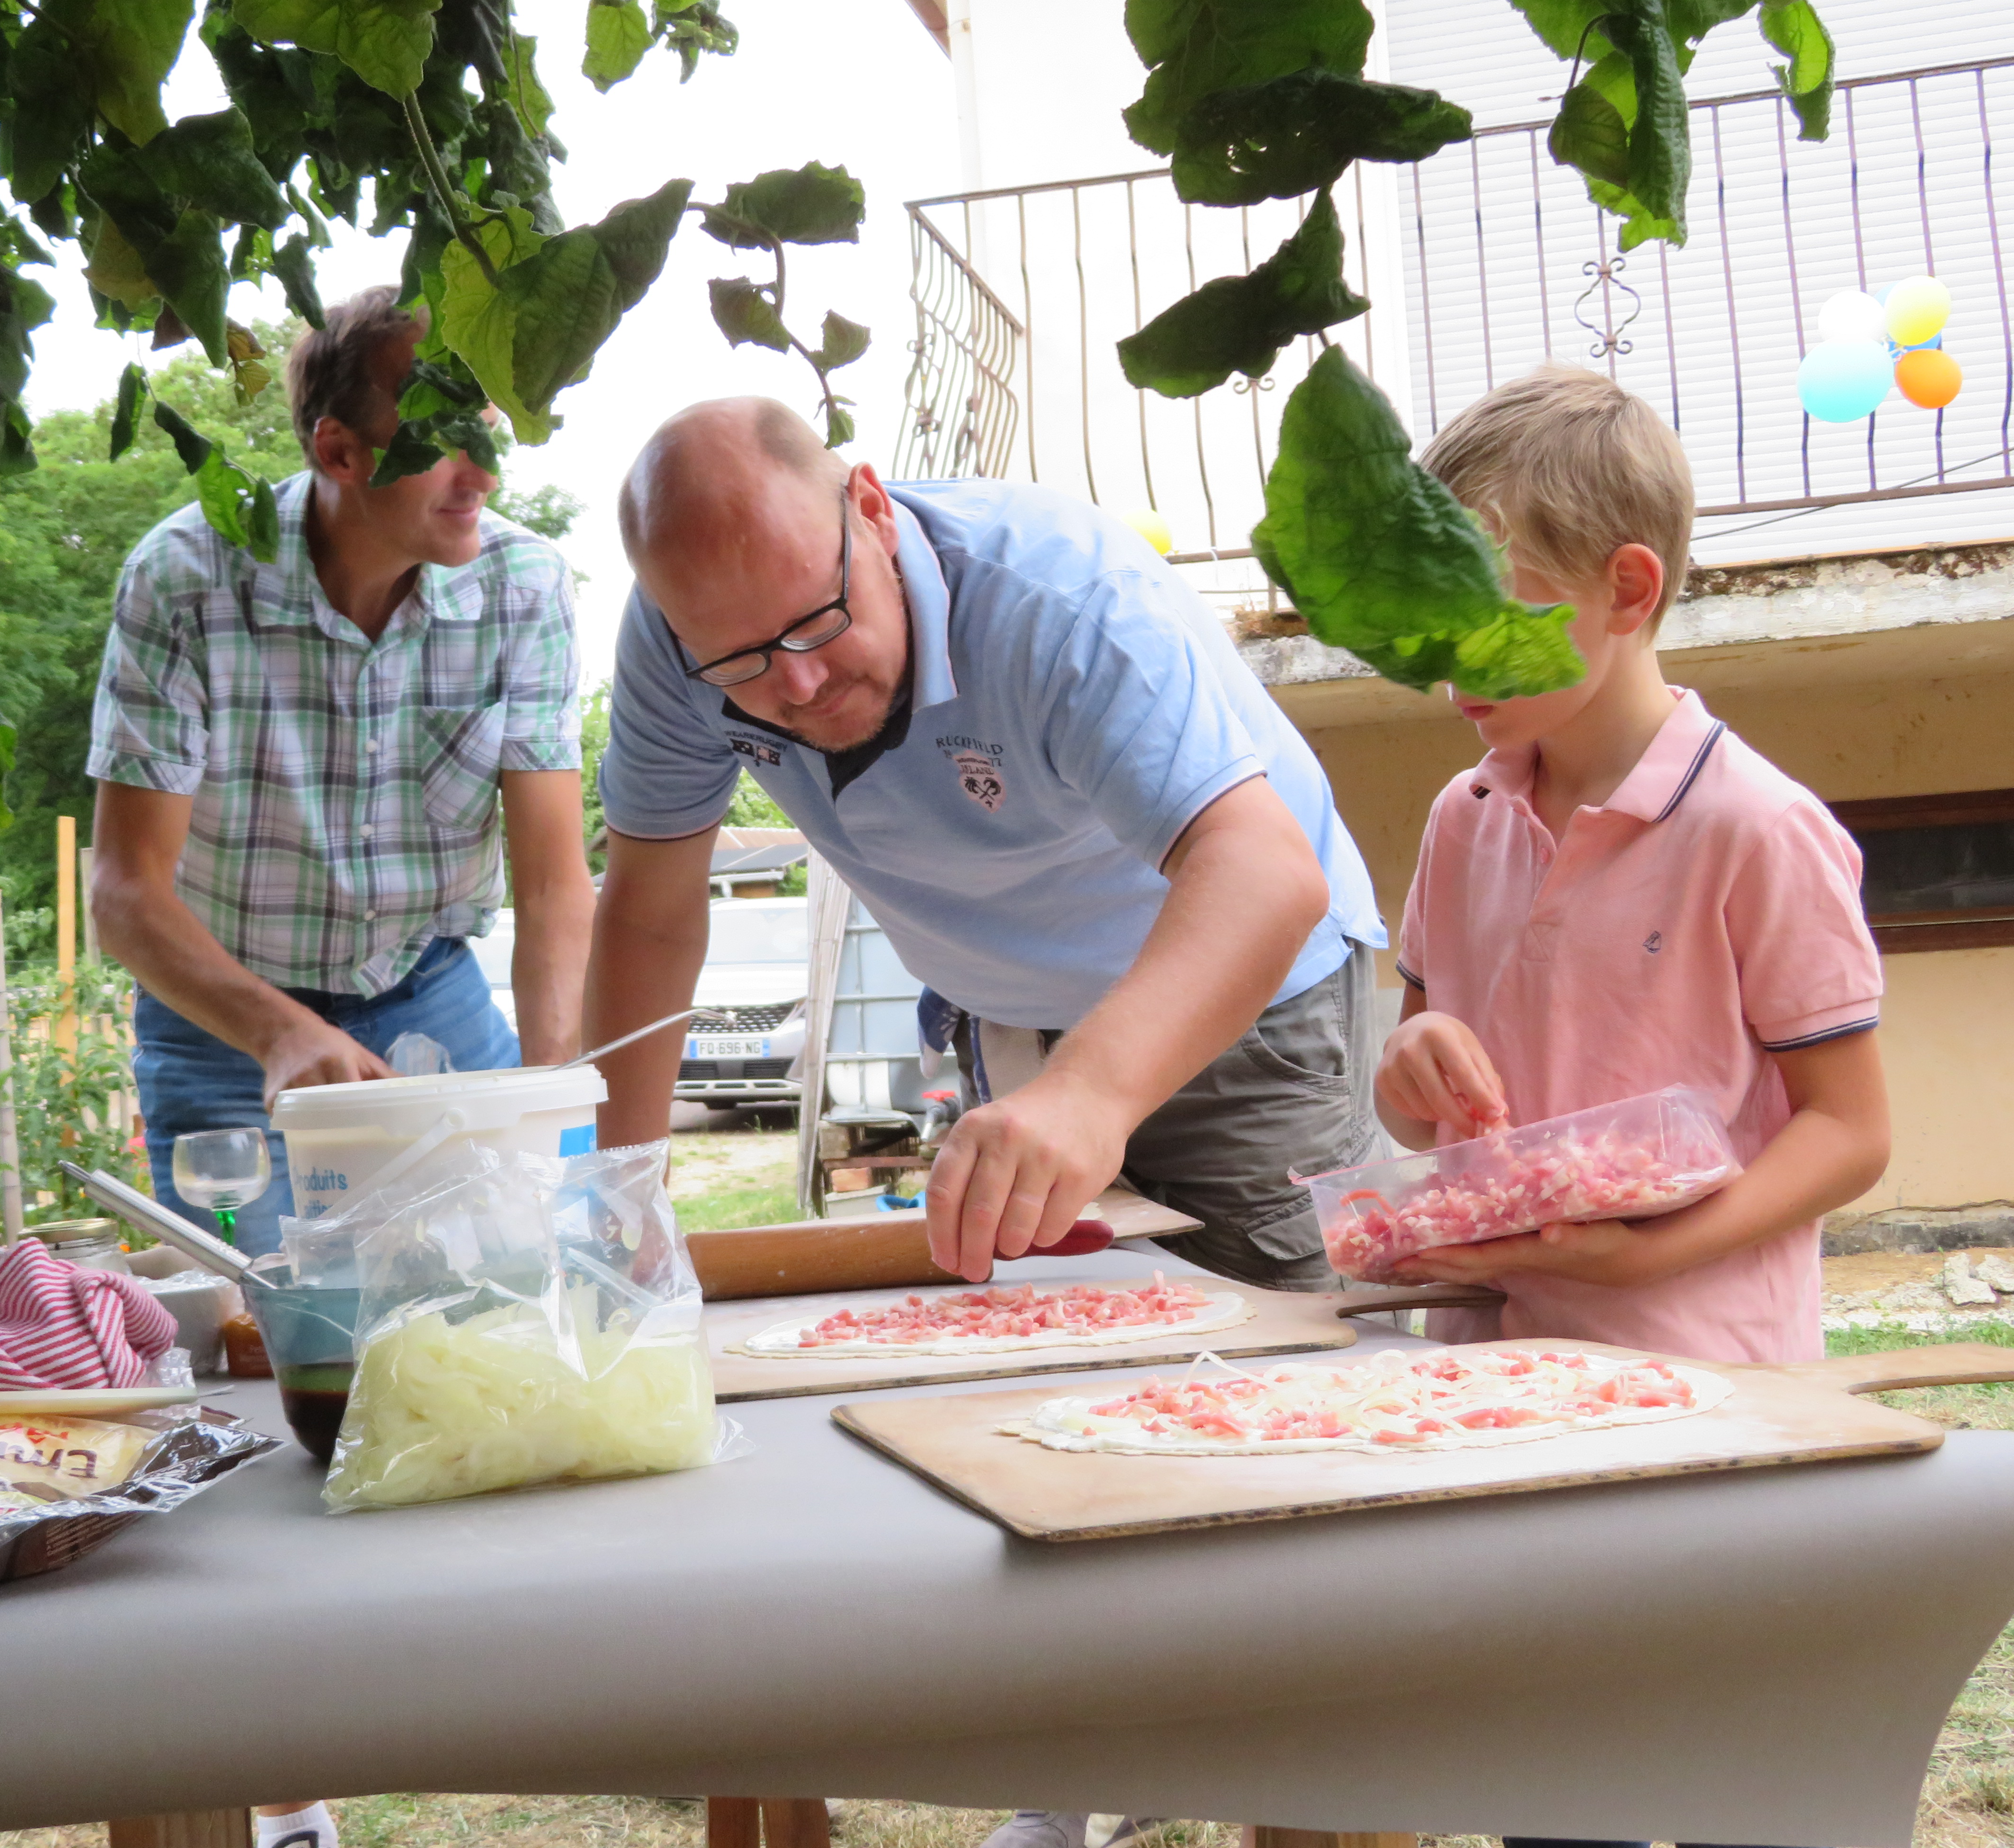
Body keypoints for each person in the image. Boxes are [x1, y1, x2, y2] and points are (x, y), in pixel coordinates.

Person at [1374, 367, 1891, 1846]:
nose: (1442, 658)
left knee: (1728, 1766)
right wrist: (1415, 1069)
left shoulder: (1756, 827)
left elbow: (1853, 1131)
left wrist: (1654, 1253)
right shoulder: (1462, 817)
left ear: (1628, 589)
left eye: (1486, 612)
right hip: (1499, 1384)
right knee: (1554, 1781)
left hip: (1708, 1395)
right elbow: (1419, 1092)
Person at [589, 397, 1385, 1290]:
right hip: (1005, 1021)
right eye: (742, 663)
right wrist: (627, 1189)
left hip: (1235, 996)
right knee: (1053, 1342)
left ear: (873, 512)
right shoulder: (673, 642)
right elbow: (648, 919)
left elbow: (1266, 872)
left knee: (1279, 1339)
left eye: (818, 621)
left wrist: (1088, 1094)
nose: (801, 682)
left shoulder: (1065, 596)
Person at [86, 284, 596, 1262]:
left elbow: (551, 884)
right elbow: (124, 894)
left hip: (429, 992)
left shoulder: (525, 586)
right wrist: (278, 1032)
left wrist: (548, 1103)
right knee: (263, 1314)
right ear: (339, 452)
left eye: (489, 434)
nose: (483, 474)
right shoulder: (184, 578)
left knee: (518, 1277)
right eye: (443, 442)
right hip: (222, 1022)